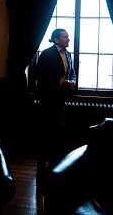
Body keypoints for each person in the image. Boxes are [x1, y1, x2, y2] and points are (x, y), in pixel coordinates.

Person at [34, 28, 76, 192]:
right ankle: (42, 163)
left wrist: (71, 81)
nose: (68, 39)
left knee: (58, 129)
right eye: (65, 37)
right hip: (47, 99)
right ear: (56, 40)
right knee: (46, 130)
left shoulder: (69, 54)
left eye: (68, 37)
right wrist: (58, 82)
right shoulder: (46, 54)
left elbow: (71, 72)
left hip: (61, 99)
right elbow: (39, 75)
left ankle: (55, 162)